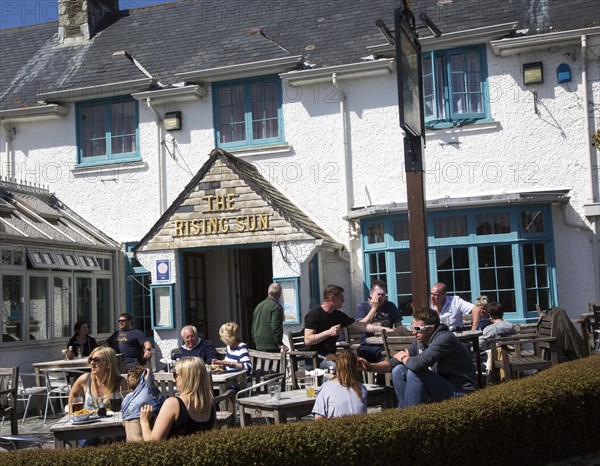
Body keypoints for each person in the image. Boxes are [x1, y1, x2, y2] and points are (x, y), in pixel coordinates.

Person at [360, 307, 477, 408]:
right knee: (398, 370)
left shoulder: (444, 338)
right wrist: (370, 366)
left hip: (461, 392)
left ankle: (410, 416)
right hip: (443, 386)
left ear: (431, 328)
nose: (413, 333)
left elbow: (417, 365)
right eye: (412, 328)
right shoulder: (420, 341)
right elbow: (392, 363)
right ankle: (404, 412)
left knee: (415, 372)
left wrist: (403, 358)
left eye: (417, 329)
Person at [304, 284, 394, 369]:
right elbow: (308, 340)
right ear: (332, 298)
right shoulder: (314, 315)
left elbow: (359, 326)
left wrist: (379, 328)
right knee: (340, 367)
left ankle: (356, 385)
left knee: (355, 363)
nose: (343, 301)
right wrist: (328, 332)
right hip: (314, 356)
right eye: (341, 298)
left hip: (331, 355)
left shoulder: (338, 315)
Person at [140, 357, 215, 440]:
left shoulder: (173, 404)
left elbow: (153, 443)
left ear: (186, 378)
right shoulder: (210, 404)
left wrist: (144, 422)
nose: (174, 378)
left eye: (176, 374)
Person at [68, 346, 128, 446]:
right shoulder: (85, 379)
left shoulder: (120, 382)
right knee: (89, 444)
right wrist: (71, 414)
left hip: (113, 429)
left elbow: (128, 405)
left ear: (108, 364)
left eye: (96, 360)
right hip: (87, 430)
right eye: (91, 359)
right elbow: (73, 394)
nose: (92, 363)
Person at [355, 279, 403, 362]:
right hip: (368, 345)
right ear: (371, 293)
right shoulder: (363, 306)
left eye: (383, 295)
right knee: (360, 361)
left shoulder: (390, 306)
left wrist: (396, 331)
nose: (380, 297)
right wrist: (374, 308)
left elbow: (399, 326)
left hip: (385, 345)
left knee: (392, 361)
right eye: (378, 294)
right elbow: (361, 325)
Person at [313, 350, 367, 419]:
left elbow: (318, 419)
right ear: (356, 367)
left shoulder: (326, 388)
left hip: (336, 428)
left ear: (336, 366)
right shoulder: (361, 388)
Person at [252, 283, 285, 352]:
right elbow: (276, 327)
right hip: (271, 345)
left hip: (258, 344)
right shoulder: (276, 307)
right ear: (279, 294)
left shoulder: (258, 306)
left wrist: (255, 339)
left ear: (268, 292)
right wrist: (280, 344)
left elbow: (254, 326)